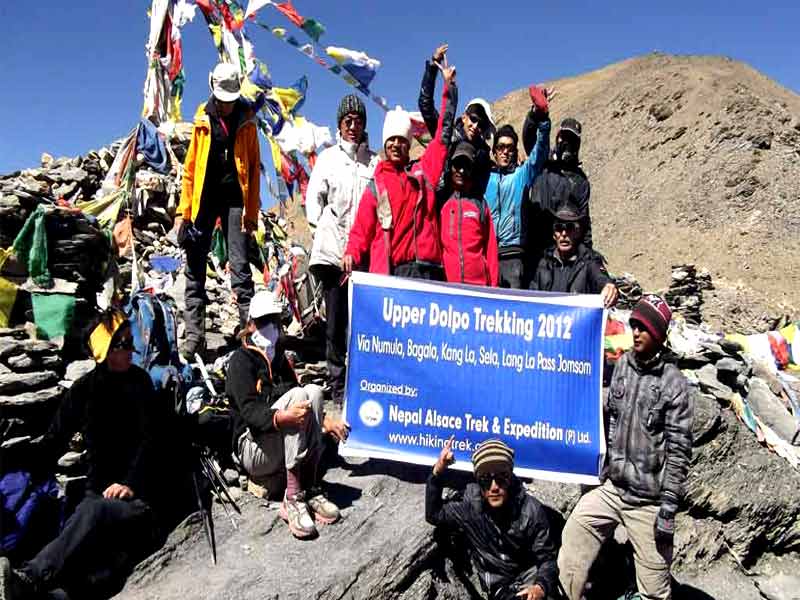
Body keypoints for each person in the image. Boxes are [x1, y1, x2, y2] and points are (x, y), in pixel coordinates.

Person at [0, 311, 170, 600]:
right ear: (103, 353)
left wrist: (130, 484)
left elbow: (151, 443)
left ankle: (29, 577)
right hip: (96, 497)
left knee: (93, 511)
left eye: (130, 342)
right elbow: (53, 442)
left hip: (138, 501)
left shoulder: (140, 384)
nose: (132, 350)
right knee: (77, 512)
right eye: (123, 344)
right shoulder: (84, 390)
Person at [558, 295, 693, 600]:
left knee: (655, 591)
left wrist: (668, 509)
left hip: (649, 502)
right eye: (634, 325)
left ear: (658, 335)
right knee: (574, 536)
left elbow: (679, 451)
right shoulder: (621, 368)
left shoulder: (674, 385)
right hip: (613, 488)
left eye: (644, 328)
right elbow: (605, 417)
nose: (636, 333)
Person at [225, 291, 350, 539]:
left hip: (275, 442)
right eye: (264, 322)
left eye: (274, 321)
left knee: (313, 391)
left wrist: (324, 420)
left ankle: (311, 487)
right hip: (253, 448)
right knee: (297, 397)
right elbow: (250, 412)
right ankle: (292, 497)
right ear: (250, 325)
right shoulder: (241, 361)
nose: (271, 327)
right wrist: (282, 417)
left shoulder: (279, 358)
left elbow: (302, 396)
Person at [174, 62, 261, 359]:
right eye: (222, 99)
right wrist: (184, 214)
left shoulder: (247, 121)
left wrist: (252, 214)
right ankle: (195, 337)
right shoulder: (202, 119)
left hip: (236, 200)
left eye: (230, 99)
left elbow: (253, 169)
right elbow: (190, 170)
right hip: (204, 201)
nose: (225, 105)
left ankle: (251, 335)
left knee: (239, 266)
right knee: (195, 267)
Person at [343, 65, 458, 280]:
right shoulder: (375, 185)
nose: (396, 145)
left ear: (409, 144)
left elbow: (443, 134)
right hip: (393, 274)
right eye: (391, 140)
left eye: (402, 140)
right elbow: (361, 229)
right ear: (385, 145)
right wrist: (351, 252)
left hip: (429, 271)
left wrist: (449, 89)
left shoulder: (424, 171)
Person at [306, 94, 378, 403]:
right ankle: (337, 387)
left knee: (361, 323)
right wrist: (322, 231)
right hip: (333, 255)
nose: (353, 126)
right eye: (348, 121)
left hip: (362, 257)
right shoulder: (327, 159)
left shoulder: (373, 162)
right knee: (336, 323)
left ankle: (361, 382)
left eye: (358, 121)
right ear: (339, 124)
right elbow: (313, 200)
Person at [426, 438, 558, 600]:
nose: (494, 487)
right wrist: (438, 471)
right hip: (500, 587)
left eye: (501, 478)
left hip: (531, 582)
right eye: (486, 480)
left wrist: (540, 587)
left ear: (510, 477)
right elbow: (434, 513)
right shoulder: (470, 507)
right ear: (478, 481)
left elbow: (547, 559)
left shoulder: (531, 510)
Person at [484, 86, 551, 288]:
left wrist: (543, 119)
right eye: (501, 147)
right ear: (494, 151)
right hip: (486, 254)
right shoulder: (484, 177)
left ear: (515, 152)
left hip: (513, 257)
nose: (505, 152)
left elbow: (539, 153)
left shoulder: (521, 175)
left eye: (510, 148)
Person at [418, 44, 494, 200]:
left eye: (482, 125)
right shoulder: (447, 135)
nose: (476, 126)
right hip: (440, 206)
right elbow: (425, 104)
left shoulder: (483, 156)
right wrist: (432, 68)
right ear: (464, 117)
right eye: (473, 119)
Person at [526, 116, 592, 262]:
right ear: (557, 137)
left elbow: (584, 223)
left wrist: (589, 256)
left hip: (563, 251)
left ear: (578, 144)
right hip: (534, 247)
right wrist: (535, 114)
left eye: (572, 140)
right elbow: (529, 138)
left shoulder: (580, 180)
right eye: (564, 137)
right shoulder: (542, 162)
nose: (567, 143)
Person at [529, 201, 618, 307]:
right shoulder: (543, 263)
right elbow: (531, 298)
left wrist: (608, 286)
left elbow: (600, 278)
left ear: (578, 232)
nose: (564, 234)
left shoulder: (589, 261)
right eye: (559, 228)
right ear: (554, 234)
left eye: (569, 227)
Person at [440, 141, 499, 286]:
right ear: (450, 167)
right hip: (450, 287)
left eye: (465, 166)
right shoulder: (443, 205)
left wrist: (494, 287)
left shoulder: (480, 203)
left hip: (479, 287)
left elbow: (490, 249)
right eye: (457, 165)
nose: (460, 171)